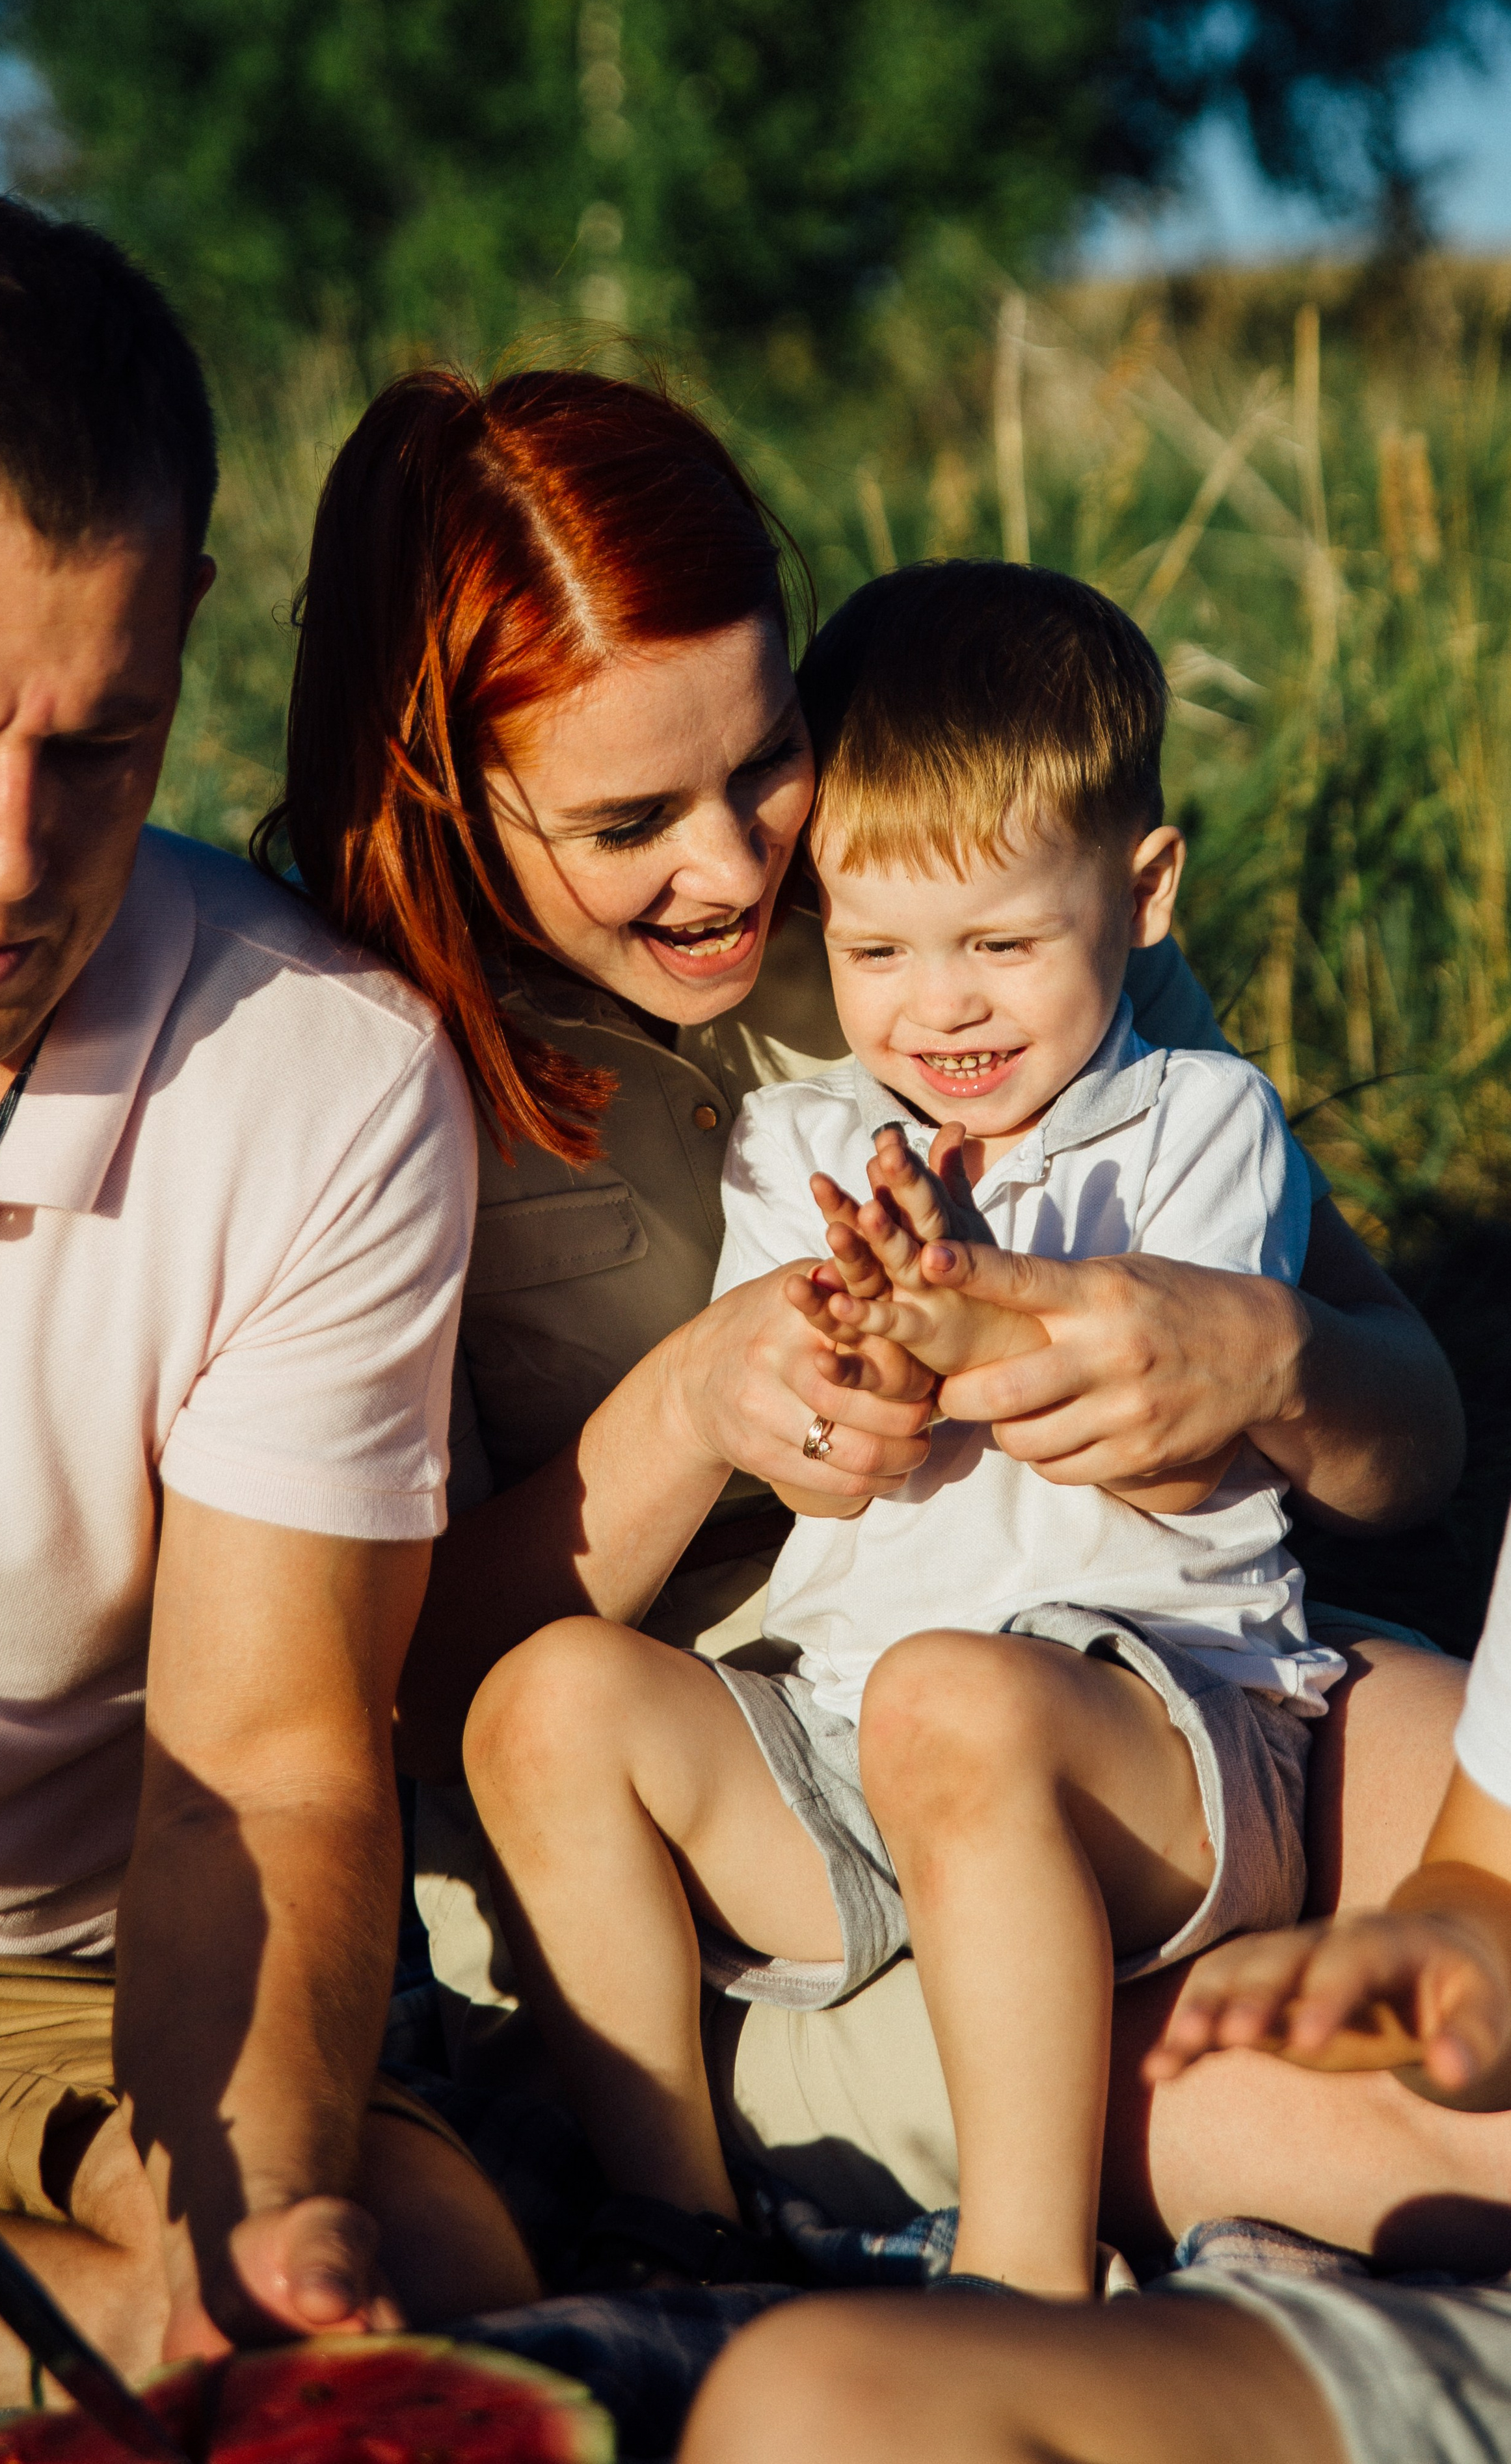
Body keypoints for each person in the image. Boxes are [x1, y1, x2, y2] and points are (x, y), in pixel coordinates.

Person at [269, 362, 1481, 2255]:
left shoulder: (951, 888)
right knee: (1405, 2118)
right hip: (723, 1862)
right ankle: (829, 2257)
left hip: (1108, 1673)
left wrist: (1273, 1361)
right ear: (441, 794)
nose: (738, 869)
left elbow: (1414, 1445)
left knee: (1460, 1787)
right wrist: (688, 1414)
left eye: (767, 762)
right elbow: (379, 1705)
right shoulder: (342, 1075)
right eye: (627, 821)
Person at [462, 560, 1346, 2297]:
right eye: (875, 951)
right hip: (851, 1739)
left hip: (1156, 1747)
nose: (941, 1008)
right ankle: (676, 2233)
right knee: (546, 1702)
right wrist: (851, 1368)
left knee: (956, 1698)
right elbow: (818, 1445)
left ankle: (1023, 2284)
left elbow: (1179, 1448)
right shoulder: (800, 1140)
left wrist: (962, 1318)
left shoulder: (1199, 1123)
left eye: (1000, 946)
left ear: (1143, 894)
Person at [0, 190, 536, 2405]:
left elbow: (262, 1761)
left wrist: (252, 2221)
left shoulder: (316, 1078)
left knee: (405, 2257)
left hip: (53, 1998)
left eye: (97, 745)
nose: (3, 858)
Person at [674, 1527, 1511, 2464]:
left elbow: (1399, 1474)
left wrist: (1460, 1948)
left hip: (1203, 1663)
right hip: (785, 1798)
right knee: (820, 2406)